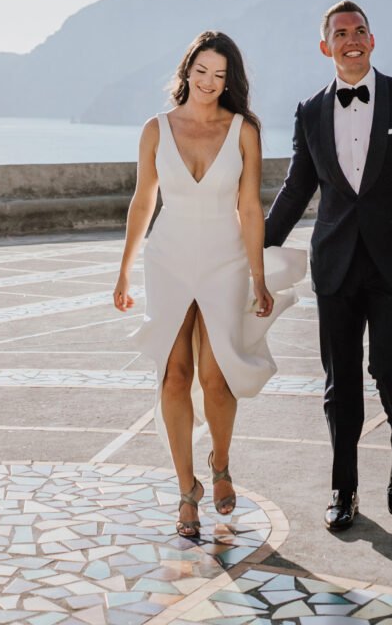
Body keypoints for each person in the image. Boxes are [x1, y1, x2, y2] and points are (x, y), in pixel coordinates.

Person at [265, 0, 392, 531]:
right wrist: (257, 250)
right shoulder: (310, 111)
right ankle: (344, 488)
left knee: (390, 367)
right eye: (340, 33)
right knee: (340, 381)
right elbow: (296, 190)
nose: (351, 40)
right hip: (335, 264)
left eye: (359, 31)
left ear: (372, 41)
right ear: (325, 46)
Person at [113, 30, 305, 538]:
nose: (208, 82)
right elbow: (143, 200)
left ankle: (220, 462)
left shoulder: (243, 130)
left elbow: (249, 207)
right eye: (201, 71)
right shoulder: (156, 129)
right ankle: (186, 489)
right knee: (174, 376)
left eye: (220, 75)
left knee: (217, 376)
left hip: (225, 261)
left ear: (229, 81)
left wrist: (258, 275)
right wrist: (124, 269)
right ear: (187, 70)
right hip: (168, 260)